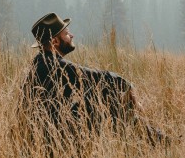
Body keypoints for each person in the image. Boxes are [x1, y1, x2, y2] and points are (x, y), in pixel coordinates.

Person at [22, 12, 166, 145]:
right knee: (107, 96)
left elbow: (92, 80)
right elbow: (101, 77)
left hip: (48, 130)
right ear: (55, 42)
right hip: (54, 136)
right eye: (66, 34)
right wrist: (128, 88)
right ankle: (157, 140)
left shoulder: (41, 61)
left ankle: (153, 138)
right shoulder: (55, 65)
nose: (72, 36)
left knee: (99, 93)